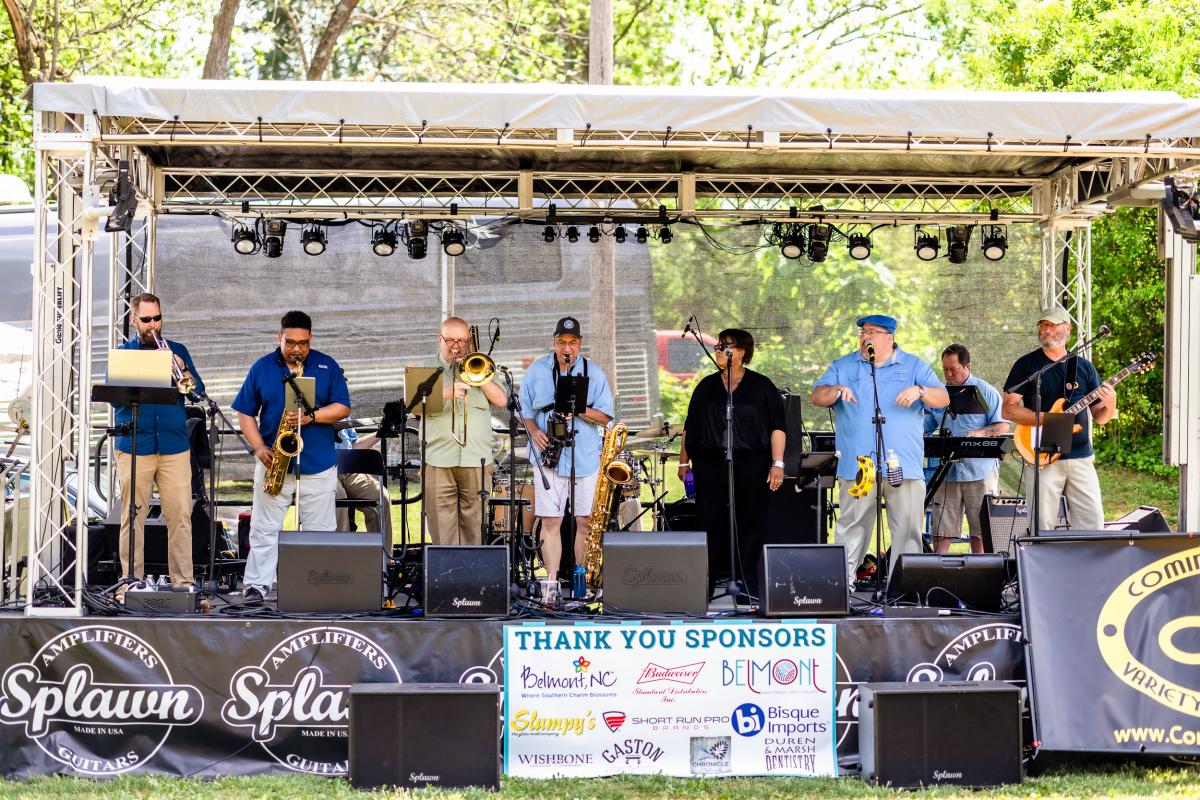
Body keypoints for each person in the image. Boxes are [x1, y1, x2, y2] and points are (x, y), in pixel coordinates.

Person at [811, 314, 949, 587]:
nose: (865, 337)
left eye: (872, 332)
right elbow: (817, 396)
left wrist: (920, 390)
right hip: (859, 466)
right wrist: (835, 390)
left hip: (903, 465)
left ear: (889, 337)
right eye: (863, 332)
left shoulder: (914, 365)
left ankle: (904, 587)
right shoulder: (844, 366)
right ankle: (842, 585)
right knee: (853, 525)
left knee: (907, 529)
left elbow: (943, 398)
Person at [233, 310, 351, 603]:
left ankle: (318, 588)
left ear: (311, 339)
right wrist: (259, 447)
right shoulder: (262, 367)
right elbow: (245, 412)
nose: (297, 349)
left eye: (303, 343)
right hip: (275, 461)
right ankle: (257, 586)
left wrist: (313, 417)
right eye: (290, 342)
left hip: (318, 463)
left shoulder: (326, 365)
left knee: (320, 532)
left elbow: (343, 407)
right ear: (279, 337)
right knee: (264, 529)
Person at [677, 328, 785, 600]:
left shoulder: (762, 386)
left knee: (751, 523)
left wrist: (778, 463)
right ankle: (702, 588)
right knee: (709, 522)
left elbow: (777, 426)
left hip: (751, 463)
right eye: (718, 346)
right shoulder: (706, 386)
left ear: (742, 352)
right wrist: (683, 463)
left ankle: (748, 589)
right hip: (710, 463)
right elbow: (690, 426)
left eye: (727, 346)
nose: (719, 351)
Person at [111, 292, 205, 590]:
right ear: (134, 320)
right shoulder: (123, 353)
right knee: (132, 517)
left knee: (180, 517)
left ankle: (183, 583)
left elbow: (197, 393)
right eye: (147, 319)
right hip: (134, 446)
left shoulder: (177, 350)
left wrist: (182, 368)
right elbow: (114, 400)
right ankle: (131, 583)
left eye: (158, 318)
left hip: (174, 446)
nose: (153, 325)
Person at [1002, 307, 1115, 531]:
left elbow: (1100, 417)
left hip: (1080, 455)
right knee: (1041, 525)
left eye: (1052, 325)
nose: (1047, 330)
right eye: (1043, 325)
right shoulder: (1027, 365)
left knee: (1092, 524)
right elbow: (1008, 410)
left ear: (1067, 328)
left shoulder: (1084, 367)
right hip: (1041, 454)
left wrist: (1111, 403)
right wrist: (1048, 418)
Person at [518, 316, 614, 580]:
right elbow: (522, 410)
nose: (567, 348)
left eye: (572, 342)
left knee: (585, 521)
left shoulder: (594, 372)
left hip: (583, 457)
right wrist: (534, 431)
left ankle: (581, 582)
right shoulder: (537, 370)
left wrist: (579, 410)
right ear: (554, 342)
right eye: (562, 342)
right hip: (547, 455)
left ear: (580, 343)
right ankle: (551, 582)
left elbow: (606, 417)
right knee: (551, 520)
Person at [421, 316, 508, 546]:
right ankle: (446, 569)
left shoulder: (483, 365)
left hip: (476, 458)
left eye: (461, 340)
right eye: (449, 340)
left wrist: (480, 375)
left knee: (474, 528)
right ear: (439, 339)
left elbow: (501, 400)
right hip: (438, 459)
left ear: (469, 341)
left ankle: (471, 570)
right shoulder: (426, 368)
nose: (455, 346)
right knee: (442, 529)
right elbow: (412, 406)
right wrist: (445, 392)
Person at [924, 343, 1010, 553]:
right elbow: (927, 425)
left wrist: (980, 433)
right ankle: (937, 568)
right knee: (942, 529)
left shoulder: (985, 391)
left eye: (953, 369)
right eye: (945, 369)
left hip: (979, 470)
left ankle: (979, 569)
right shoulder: (940, 394)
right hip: (947, 471)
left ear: (967, 366)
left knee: (980, 531)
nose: (948, 374)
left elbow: (1003, 425)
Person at [334, 427, 393, 537]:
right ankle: (341, 546)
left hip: (349, 471)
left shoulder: (343, 416)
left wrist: (381, 433)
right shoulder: (309, 417)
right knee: (337, 497)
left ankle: (381, 548)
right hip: (324, 470)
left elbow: (353, 446)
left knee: (381, 497)